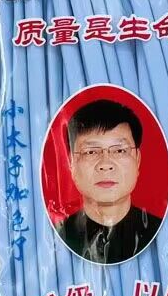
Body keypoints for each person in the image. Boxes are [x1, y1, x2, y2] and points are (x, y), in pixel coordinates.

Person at [56, 99, 162, 264]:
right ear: (72, 163)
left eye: (119, 150)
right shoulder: (57, 238)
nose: (105, 164)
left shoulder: (162, 233)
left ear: (137, 159)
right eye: (91, 152)